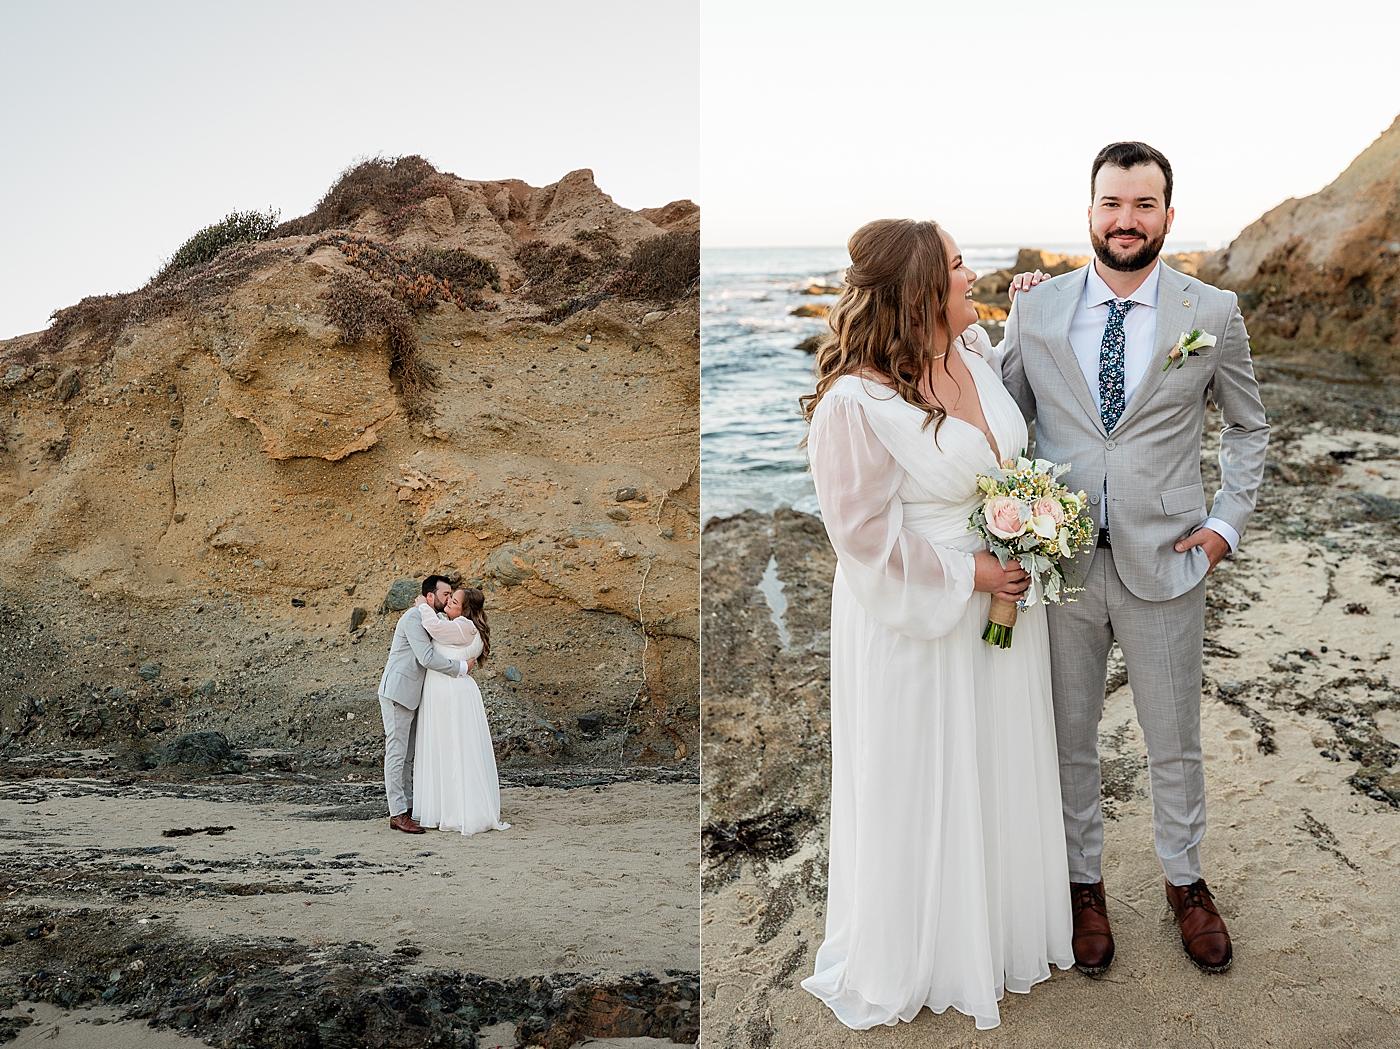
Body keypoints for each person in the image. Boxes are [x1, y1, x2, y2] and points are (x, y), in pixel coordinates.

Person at [1000, 141, 1269, 975]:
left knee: (1172, 737)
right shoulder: (1036, 313)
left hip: (1169, 562)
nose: (1126, 220)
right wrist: (1000, 530)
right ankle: (1083, 886)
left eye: (1143, 205)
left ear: (1167, 216)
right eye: (1112, 204)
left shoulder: (1212, 311)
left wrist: (1225, 523)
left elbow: (1249, 426)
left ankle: (1185, 882)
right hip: (1062, 567)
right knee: (1068, 738)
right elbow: (1003, 426)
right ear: (1089, 213)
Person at [799, 218, 1071, 1032]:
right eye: (957, 266)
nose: (972, 274)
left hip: (1000, 613)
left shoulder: (975, 356)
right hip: (918, 618)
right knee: (921, 766)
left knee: (993, 759)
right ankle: (926, 947)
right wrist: (975, 571)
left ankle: (993, 930)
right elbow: (865, 543)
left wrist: (1027, 541)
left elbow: (1015, 441)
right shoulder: (856, 404)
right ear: (921, 291)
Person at [376, 574, 474, 835]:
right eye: (445, 594)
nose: (449, 598)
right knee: (397, 753)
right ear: (430, 596)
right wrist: (461, 667)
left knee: (408, 754)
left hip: (413, 694)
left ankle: (407, 808)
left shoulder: (432, 618)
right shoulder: (413, 618)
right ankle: (397, 813)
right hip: (398, 692)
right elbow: (427, 657)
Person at [411, 587, 510, 835]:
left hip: (452, 695)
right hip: (445, 693)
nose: (448, 603)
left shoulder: (465, 626)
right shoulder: (459, 625)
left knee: (455, 750)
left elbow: (434, 628)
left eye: (454, 601)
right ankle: (447, 809)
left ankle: (460, 812)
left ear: (465, 609)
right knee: (446, 750)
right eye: (450, 598)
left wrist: (423, 604)